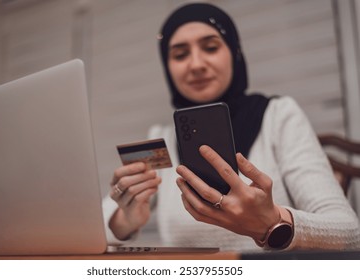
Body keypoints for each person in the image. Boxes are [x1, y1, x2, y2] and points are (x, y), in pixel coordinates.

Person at [102, 3, 360, 251]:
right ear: (167, 69)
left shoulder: (279, 115)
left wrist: (272, 223)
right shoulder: (162, 136)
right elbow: (94, 226)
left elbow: (350, 233)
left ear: (234, 53)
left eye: (211, 48)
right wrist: (126, 218)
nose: (196, 64)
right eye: (180, 55)